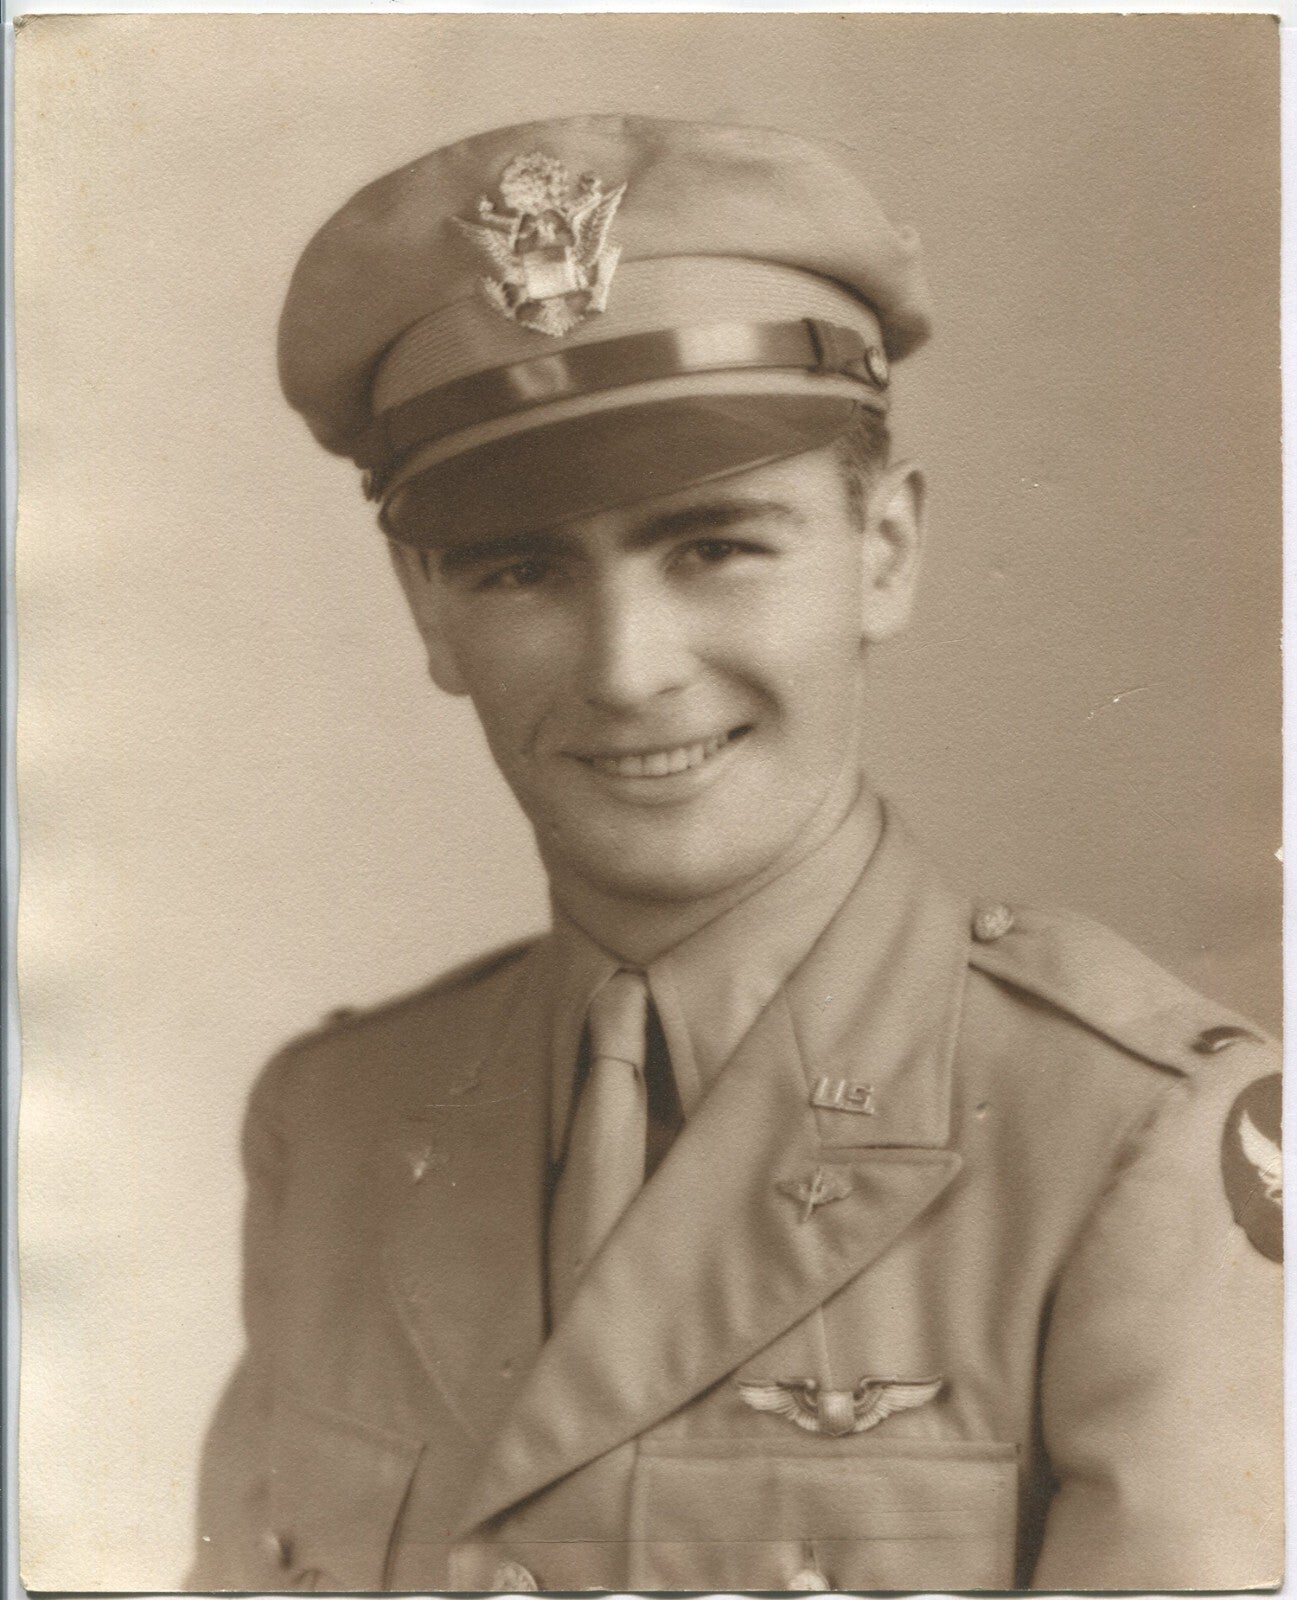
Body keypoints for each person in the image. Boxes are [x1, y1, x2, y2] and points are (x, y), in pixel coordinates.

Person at [189, 115, 1282, 1593]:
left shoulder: (1136, 1136)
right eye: (522, 568)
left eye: (712, 546)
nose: (628, 670)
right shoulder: (336, 1128)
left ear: (882, 552)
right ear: (431, 612)